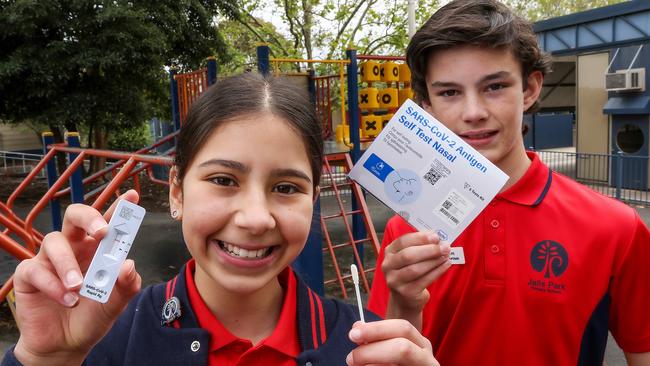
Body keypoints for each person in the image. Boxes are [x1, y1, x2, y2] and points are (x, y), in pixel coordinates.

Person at [2, 73, 439, 366]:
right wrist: (43, 359)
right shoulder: (110, 336)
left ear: (314, 199)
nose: (254, 218)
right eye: (224, 179)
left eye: (286, 187)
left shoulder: (359, 346)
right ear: (177, 191)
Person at [368, 0, 650, 365]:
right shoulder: (405, 230)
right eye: (449, 92)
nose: (473, 112)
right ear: (426, 106)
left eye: (495, 86)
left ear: (530, 89)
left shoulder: (616, 228)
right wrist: (403, 301)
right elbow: (387, 355)